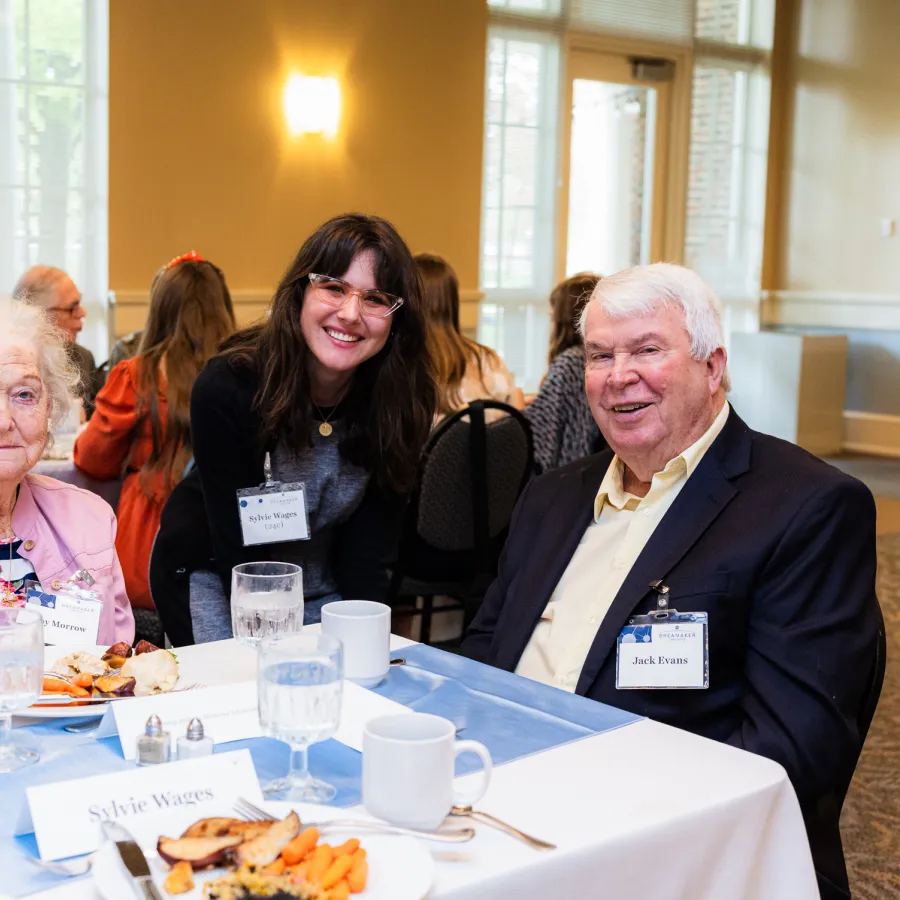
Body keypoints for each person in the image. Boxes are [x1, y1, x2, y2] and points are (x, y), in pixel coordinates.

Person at [462, 263, 879, 900]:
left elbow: (789, 748)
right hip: (498, 807)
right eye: (600, 355)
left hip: (658, 843)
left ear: (713, 367)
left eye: (647, 350)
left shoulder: (807, 507)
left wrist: (595, 807)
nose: (618, 375)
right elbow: (483, 661)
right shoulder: (550, 498)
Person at [151, 213, 437, 645]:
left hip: (323, 587)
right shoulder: (230, 387)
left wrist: (363, 646)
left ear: (397, 318)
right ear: (301, 291)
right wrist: (275, 651)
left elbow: (368, 555)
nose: (350, 313)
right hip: (217, 577)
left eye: (376, 299)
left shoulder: (403, 402)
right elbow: (235, 546)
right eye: (334, 288)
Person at [73, 252, 236, 614]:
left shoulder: (138, 375)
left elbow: (92, 459)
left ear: (160, 309)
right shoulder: (244, 372)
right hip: (228, 531)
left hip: (150, 540)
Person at [0, 296, 134, 643]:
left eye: (24, 395)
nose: (4, 422)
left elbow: (114, 665)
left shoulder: (88, 520)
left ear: (50, 407)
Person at [415, 253, 523, 420]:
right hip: (490, 446)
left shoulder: (401, 367)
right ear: (453, 302)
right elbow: (514, 428)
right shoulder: (491, 362)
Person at [525, 272, 604, 472]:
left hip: (567, 471)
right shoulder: (595, 360)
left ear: (563, 321)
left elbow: (538, 436)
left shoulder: (568, 364)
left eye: (552, 318)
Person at [13, 266, 100, 417]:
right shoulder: (8, 364)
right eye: (72, 307)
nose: (82, 313)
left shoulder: (83, 359)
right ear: (39, 315)